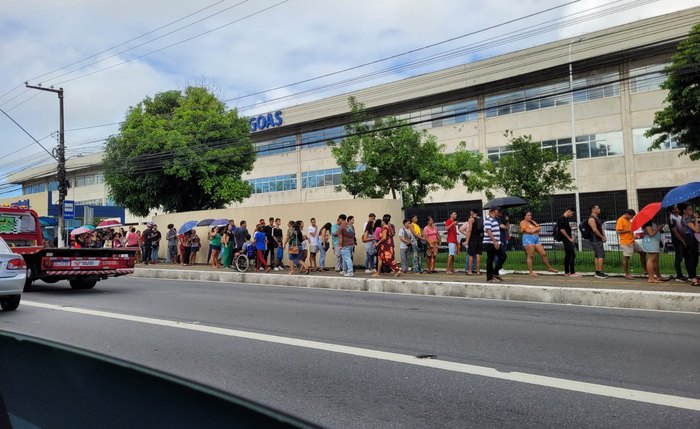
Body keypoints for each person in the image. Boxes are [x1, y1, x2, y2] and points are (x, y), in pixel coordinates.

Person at [519, 211, 558, 276]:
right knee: (530, 256)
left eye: (530, 215)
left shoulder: (532, 221)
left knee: (544, 254)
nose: (530, 217)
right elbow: (528, 231)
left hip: (536, 239)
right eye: (528, 215)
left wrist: (534, 230)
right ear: (524, 216)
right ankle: (531, 272)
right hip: (528, 239)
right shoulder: (522, 222)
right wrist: (535, 229)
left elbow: (539, 228)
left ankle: (550, 268)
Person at [616, 209, 646, 280]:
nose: (632, 218)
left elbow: (630, 229)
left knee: (642, 253)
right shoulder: (620, 220)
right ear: (627, 214)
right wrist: (628, 230)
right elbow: (618, 231)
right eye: (631, 217)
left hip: (632, 241)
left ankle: (645, 270)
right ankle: (627, 274)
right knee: (626, 258)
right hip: (626, 242)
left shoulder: (628, 220)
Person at [484, 207, 506, 283]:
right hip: (490, 243)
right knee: (490, 259)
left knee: (503, 256)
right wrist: (494, 241)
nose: (498, 211)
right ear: (493, 211)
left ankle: (495, 272)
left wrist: (497, 242)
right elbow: (488, 231)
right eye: (497, 210)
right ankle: (489, 278)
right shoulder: (488, 220)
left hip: (496, 243)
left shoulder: (495, 220)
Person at [556, 208, 579, 277]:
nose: (572, 215)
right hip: (566, 240)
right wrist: (569, 239)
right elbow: (562, 230)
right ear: (568, 211)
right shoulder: (562, 218)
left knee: (568, 256)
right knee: (572, 255)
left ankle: (567, 272)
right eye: (572, 213)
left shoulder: (565, 218)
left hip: (567, 239)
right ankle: (572, 272)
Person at [680, 204, 699, 286]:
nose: (691, 211)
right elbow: (696, 229)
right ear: (684, 210)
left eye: (692, 209)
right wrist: (695, 219)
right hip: (690, 240)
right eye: (689, 209)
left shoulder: (686, 218)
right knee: (692, 259)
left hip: (690, 240)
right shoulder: (686, 218)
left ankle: (693, 276)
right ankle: (693, 278)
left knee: (692, 259)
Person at [588, 205, 608, 279]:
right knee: (601, 256)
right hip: (595, 240)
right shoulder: (591, 219)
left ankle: (598, 271)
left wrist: (604, 236)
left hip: (598, 239)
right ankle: (599, 272)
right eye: (598, 208)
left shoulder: (597, 219)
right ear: (593, 210)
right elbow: (595, 230)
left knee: (597, 256)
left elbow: (601, 228)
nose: (599, 209)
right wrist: (602, 237)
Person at [668, 204, 687, 281]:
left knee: (686, 257)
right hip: (678, 241)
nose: (678, 208)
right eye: (676, 207)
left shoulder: (679, 216)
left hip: (684, 240)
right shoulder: (671, 218)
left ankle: (688, 274)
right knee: (678, 258)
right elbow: (675, 233)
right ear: (673, 210)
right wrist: (682, 241)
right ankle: (679, 276)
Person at [464, 209, 483, 275]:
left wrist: (467, 240)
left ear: (472, 212)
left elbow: (470, 230)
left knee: (471, 255)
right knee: (478, 254)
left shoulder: (471, 219)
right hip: (479, 238)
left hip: (473, 239)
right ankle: (478, 271)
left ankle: (470, 271)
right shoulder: (480, 219)